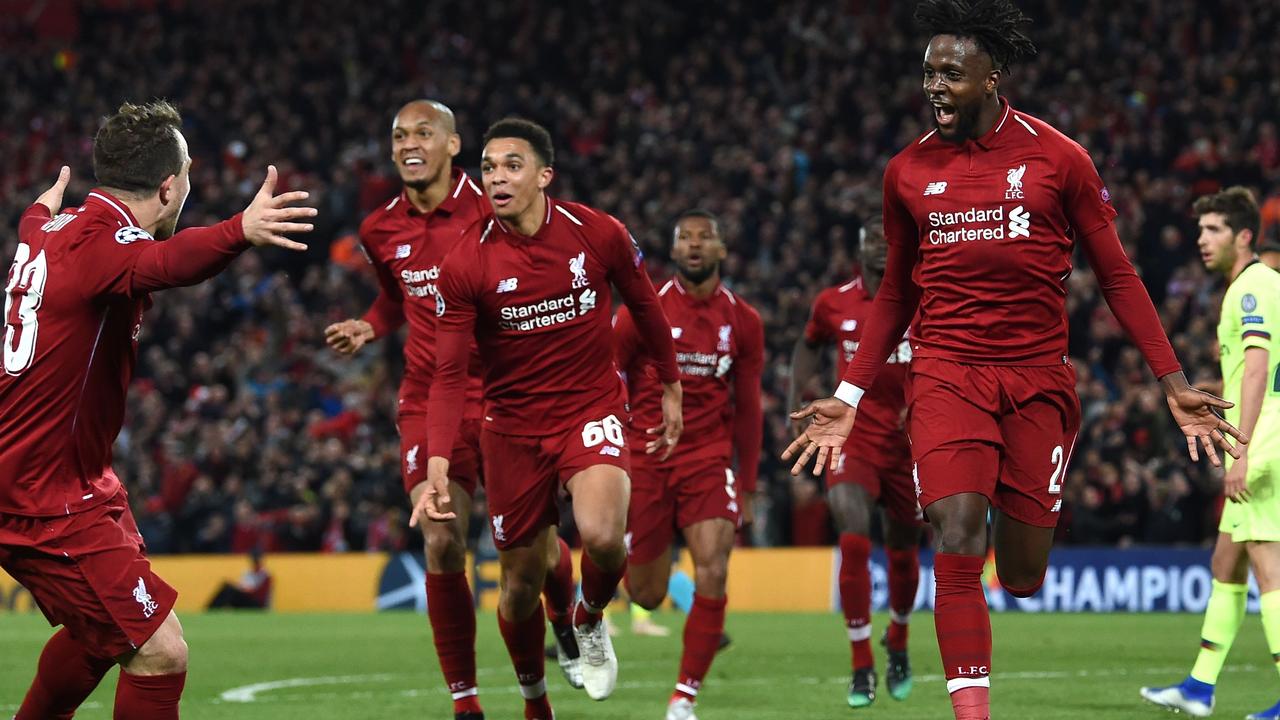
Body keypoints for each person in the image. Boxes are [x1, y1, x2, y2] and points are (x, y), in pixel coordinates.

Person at [782, 3, 1247, 718]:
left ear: (993, 78)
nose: (934, 87)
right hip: (944, 373)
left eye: (951, 74)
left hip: (1037, 381)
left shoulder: (1059, 159)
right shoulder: (906, 171)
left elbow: (1118, 276)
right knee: (957, 532)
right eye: (928, 73)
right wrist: (848, 393)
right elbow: (897, 290)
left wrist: (1172, 382)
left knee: (1024, 575)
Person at [0, 100, 314, 720]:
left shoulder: (53, 228)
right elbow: (166, 264)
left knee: (101, 637)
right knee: (160, 651)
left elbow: (33, 221)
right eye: (189, 175)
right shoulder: (104, 245)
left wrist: (41, 206)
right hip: (43, 496)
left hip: (71, 482)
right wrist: (239, 230)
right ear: (170, 185)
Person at [415, 117, 682, 720]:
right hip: (509, 430)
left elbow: (645, 305)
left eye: (512, 166)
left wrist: (670, 383)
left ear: (544, 176)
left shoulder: (597, 232)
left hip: (590, 408)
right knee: (518, 586)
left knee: (607, 540)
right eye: (488, 168)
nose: (497, 178)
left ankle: (589, 619)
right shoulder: (465, 264)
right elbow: (450, 374)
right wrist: (437, 465)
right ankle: (537, 702)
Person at [324, 101, 581, 720]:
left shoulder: (491, 205)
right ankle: (467, 705)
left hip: (506, 396)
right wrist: (370, 323)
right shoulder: (378, 229)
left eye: (422, 133)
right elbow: (397, 296)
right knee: (441, 540)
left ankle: (564, 616)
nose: (408, 143)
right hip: (428, 397)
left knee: (539, 554)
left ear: (453, 144)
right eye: (398, 136)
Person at [614, 208, 763, 720]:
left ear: (721, 250)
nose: (695, 246)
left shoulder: (743, 321)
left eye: (705, 238)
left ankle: (684, 698)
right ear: (673, 251)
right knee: (647, 594)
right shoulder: (642, 310)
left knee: (714, 569)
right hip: (648, 456)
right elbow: (607, 377)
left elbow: (748, 407)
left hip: (708, 459)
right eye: (685, 239)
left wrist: (746, 483)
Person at [1141, 187, 1280, 720]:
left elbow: (1260, 367)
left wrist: (1240, 450)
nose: (1202, 240)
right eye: (1200, 230)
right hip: (1262, 434)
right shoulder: (1257, 285)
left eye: (1214, 230)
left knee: (1268, 566)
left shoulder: (1250, 289)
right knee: (1227, 562)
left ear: (1244, 235)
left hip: (1260, 440)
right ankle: (1199, 687)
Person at [790, 208, 922, 708]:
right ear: (859, 248)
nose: (879, 248)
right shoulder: (832, 303)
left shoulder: (924, 296)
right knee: (852, 533)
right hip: (855, 438)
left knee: (905, 548)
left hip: (911, 441)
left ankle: (900, 641)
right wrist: (794, 406)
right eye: (872, 239)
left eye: (887, 240)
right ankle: (861, 662)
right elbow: (806, 349)